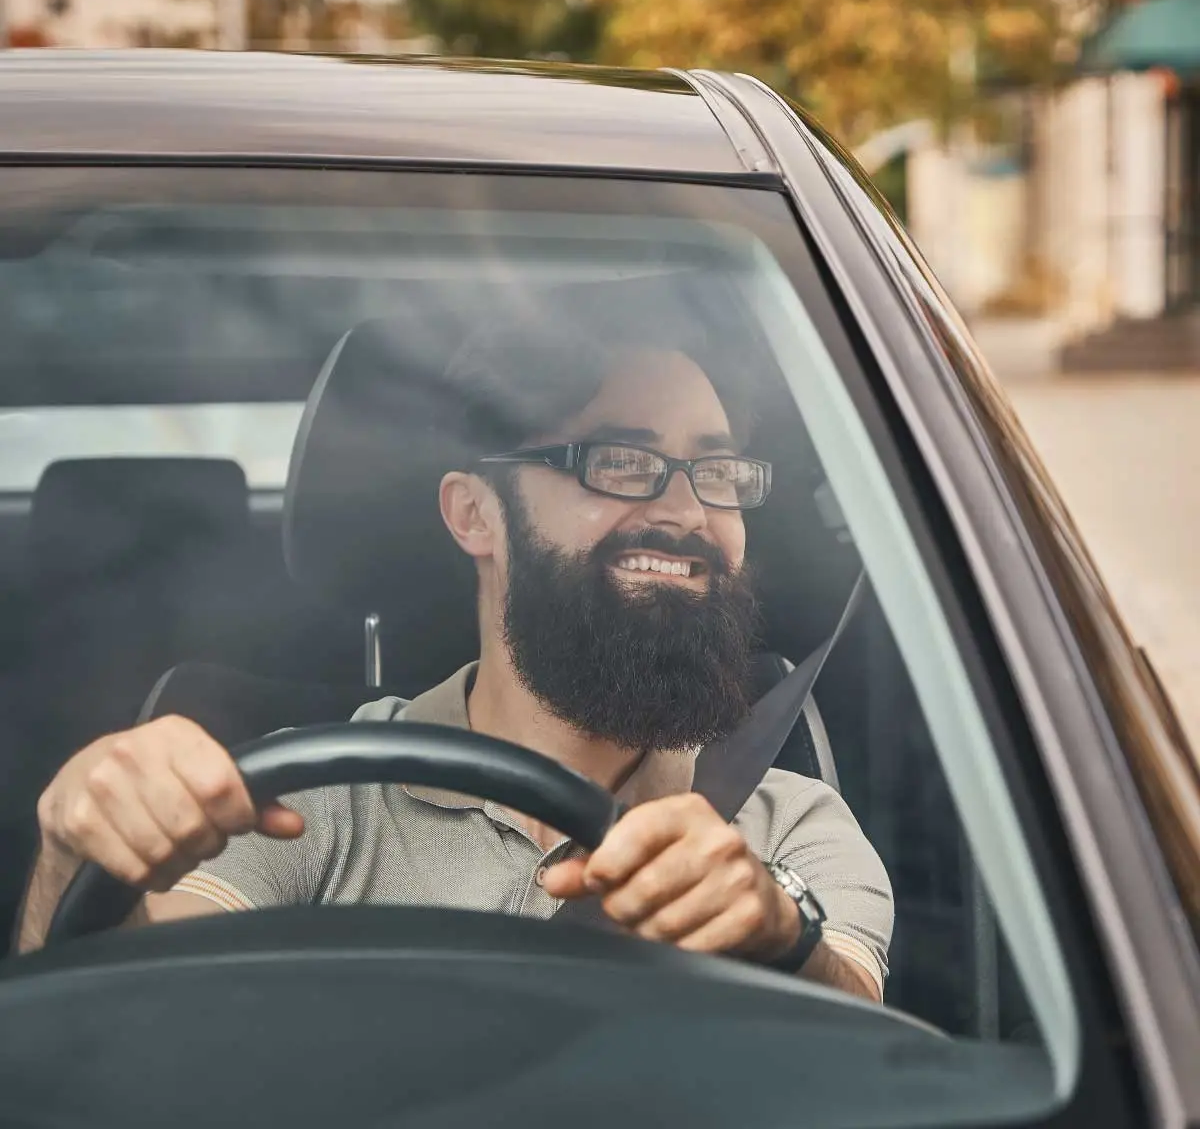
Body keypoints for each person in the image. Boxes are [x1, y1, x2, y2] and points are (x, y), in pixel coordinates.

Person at [17, 321, 892, 1001]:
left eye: (720, 472)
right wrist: (74, 858)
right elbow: (128, 1024)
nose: (687, 510)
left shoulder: (790, 828)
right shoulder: (308, 799)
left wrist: (776, 937)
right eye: (621, 463)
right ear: (475, 515)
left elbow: (870, 1048)